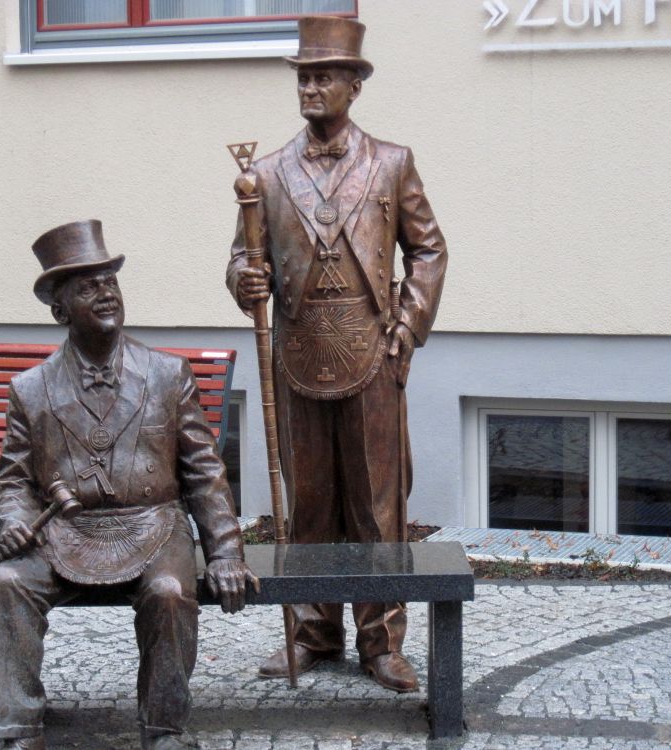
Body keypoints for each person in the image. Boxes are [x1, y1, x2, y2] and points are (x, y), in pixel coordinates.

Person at [226, 16, 447, 693]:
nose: (311, 86)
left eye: (324, 75)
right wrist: (246, 281)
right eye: (304, 76)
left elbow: (429, 249)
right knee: (309, 501)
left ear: (354, 86)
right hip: (298, 355)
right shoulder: (263, 174)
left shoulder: (392, 163)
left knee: (378, 505)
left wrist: (406, 327)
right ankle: (313, 630)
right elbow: (241, 260)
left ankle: (381, 642)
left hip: (371, 354)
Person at [0, 220, 258, 750]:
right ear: (60, 309)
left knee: (171, 591)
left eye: (110, 281)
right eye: (88, 286)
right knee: (7, 582)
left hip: (153, 527)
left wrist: (224, 553)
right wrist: (17, 521)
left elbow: (204, 471)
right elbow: (14, 479)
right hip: (66, 529)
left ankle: (163, 730)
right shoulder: (31, 389)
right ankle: (19, 727)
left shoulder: (167, 374)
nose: (106, 293)